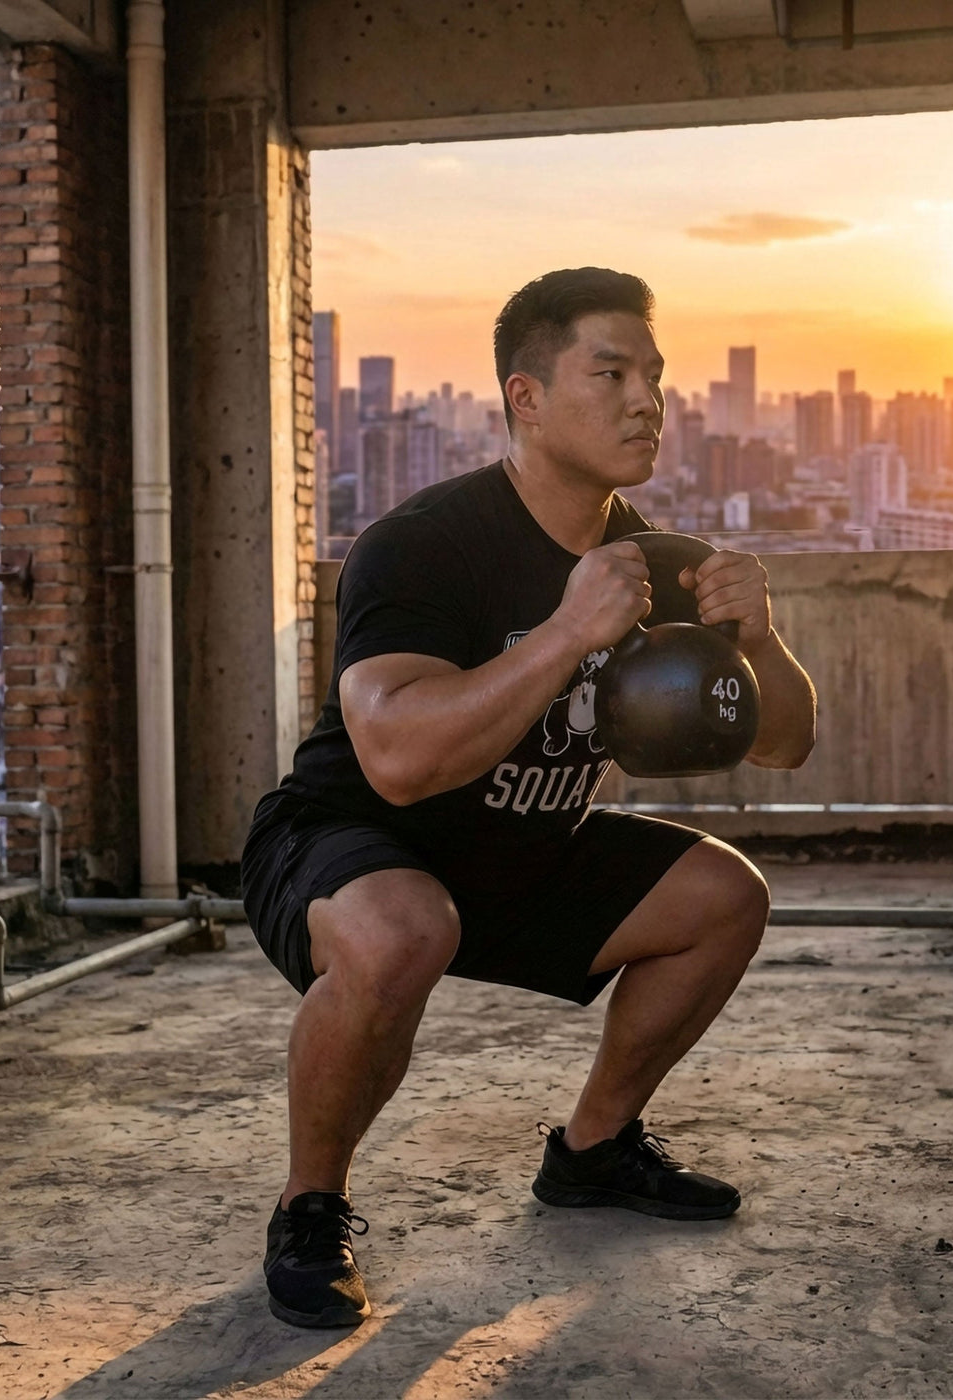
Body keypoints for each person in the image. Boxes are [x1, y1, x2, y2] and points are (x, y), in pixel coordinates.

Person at [241, 267, 817, 1329]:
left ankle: (593, 1149)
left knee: (722, 896)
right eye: (610, 372)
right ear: (526, 398)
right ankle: (308, 1207)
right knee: (405, 925)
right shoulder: (422, 543)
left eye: (653, 375)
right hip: (350, 834)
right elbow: (396, 760)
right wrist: (565, 635)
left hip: (517, 849)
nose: (647, 399)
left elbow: (784, 741)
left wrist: (758, 636)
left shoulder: (655, 565)